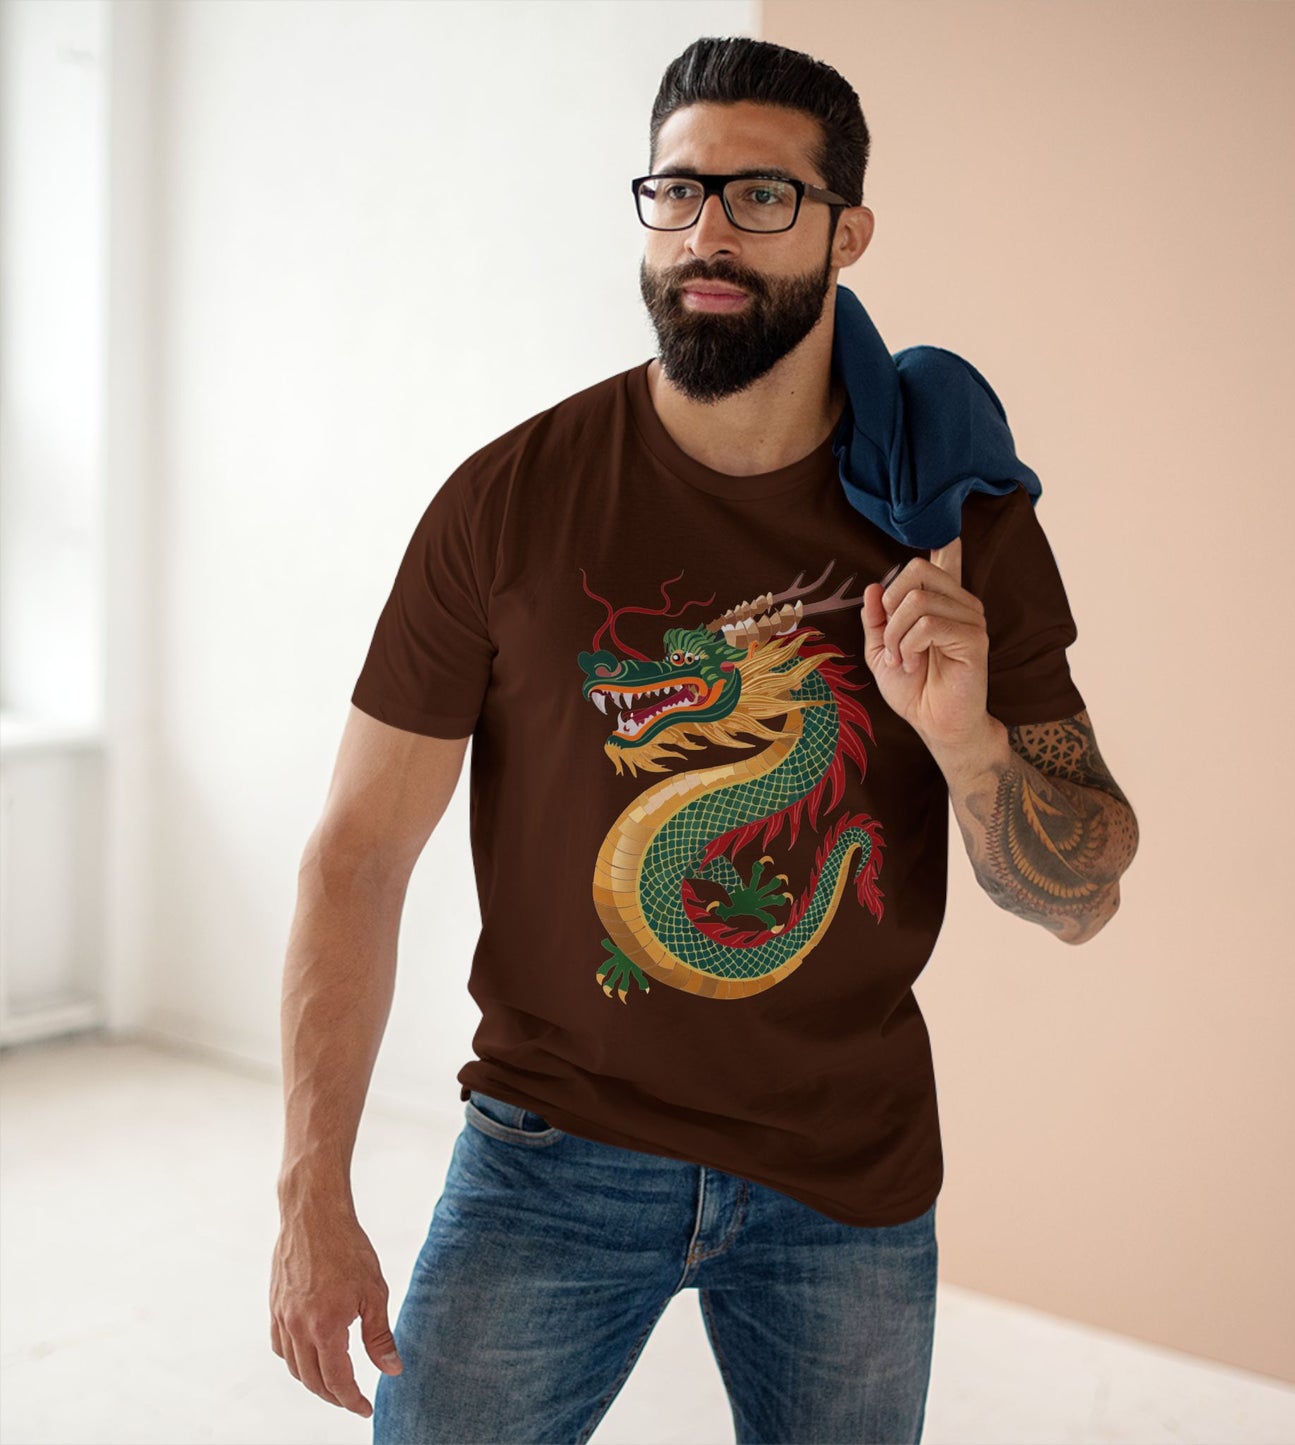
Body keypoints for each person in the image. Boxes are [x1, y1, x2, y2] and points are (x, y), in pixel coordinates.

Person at [269, 33, 1137, 1445]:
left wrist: (966, 741)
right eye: (676, 192)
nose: (706, 233)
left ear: (848, 232)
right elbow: (356, 855)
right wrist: (311, 1195)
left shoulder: (950, 522)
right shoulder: (508, 501)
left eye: (761, 196)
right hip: (552, 1151)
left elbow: (1083, 893)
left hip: (842, 1175)